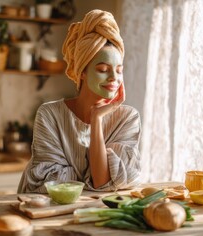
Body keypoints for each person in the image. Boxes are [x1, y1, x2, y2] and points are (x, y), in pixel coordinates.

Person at [18, 9, 142, 193]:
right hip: (45, 212)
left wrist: (97, 119)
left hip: (94, 214)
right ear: (82, 72)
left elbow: (101, 182)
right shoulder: (50, 115)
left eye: (119, 70)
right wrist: (99, 171)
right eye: (103, 69)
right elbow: (51, 184)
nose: (113, 78)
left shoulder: (128, 118)